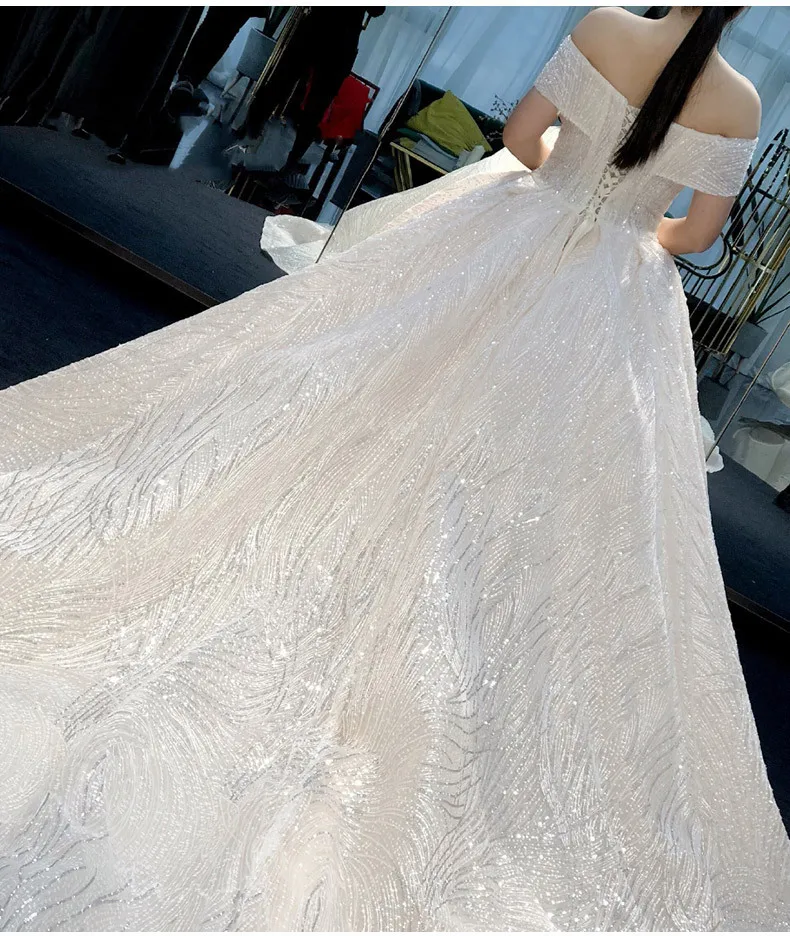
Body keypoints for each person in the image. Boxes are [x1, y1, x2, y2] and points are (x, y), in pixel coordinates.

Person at [0, 6, 788, 930]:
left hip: (514, 235)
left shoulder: (606, 26)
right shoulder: (740, 103)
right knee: (544, 490)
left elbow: (522, 137)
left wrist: (566, 186)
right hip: (605, 296)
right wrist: (626, 229)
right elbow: (694, 237)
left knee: (381, 388)